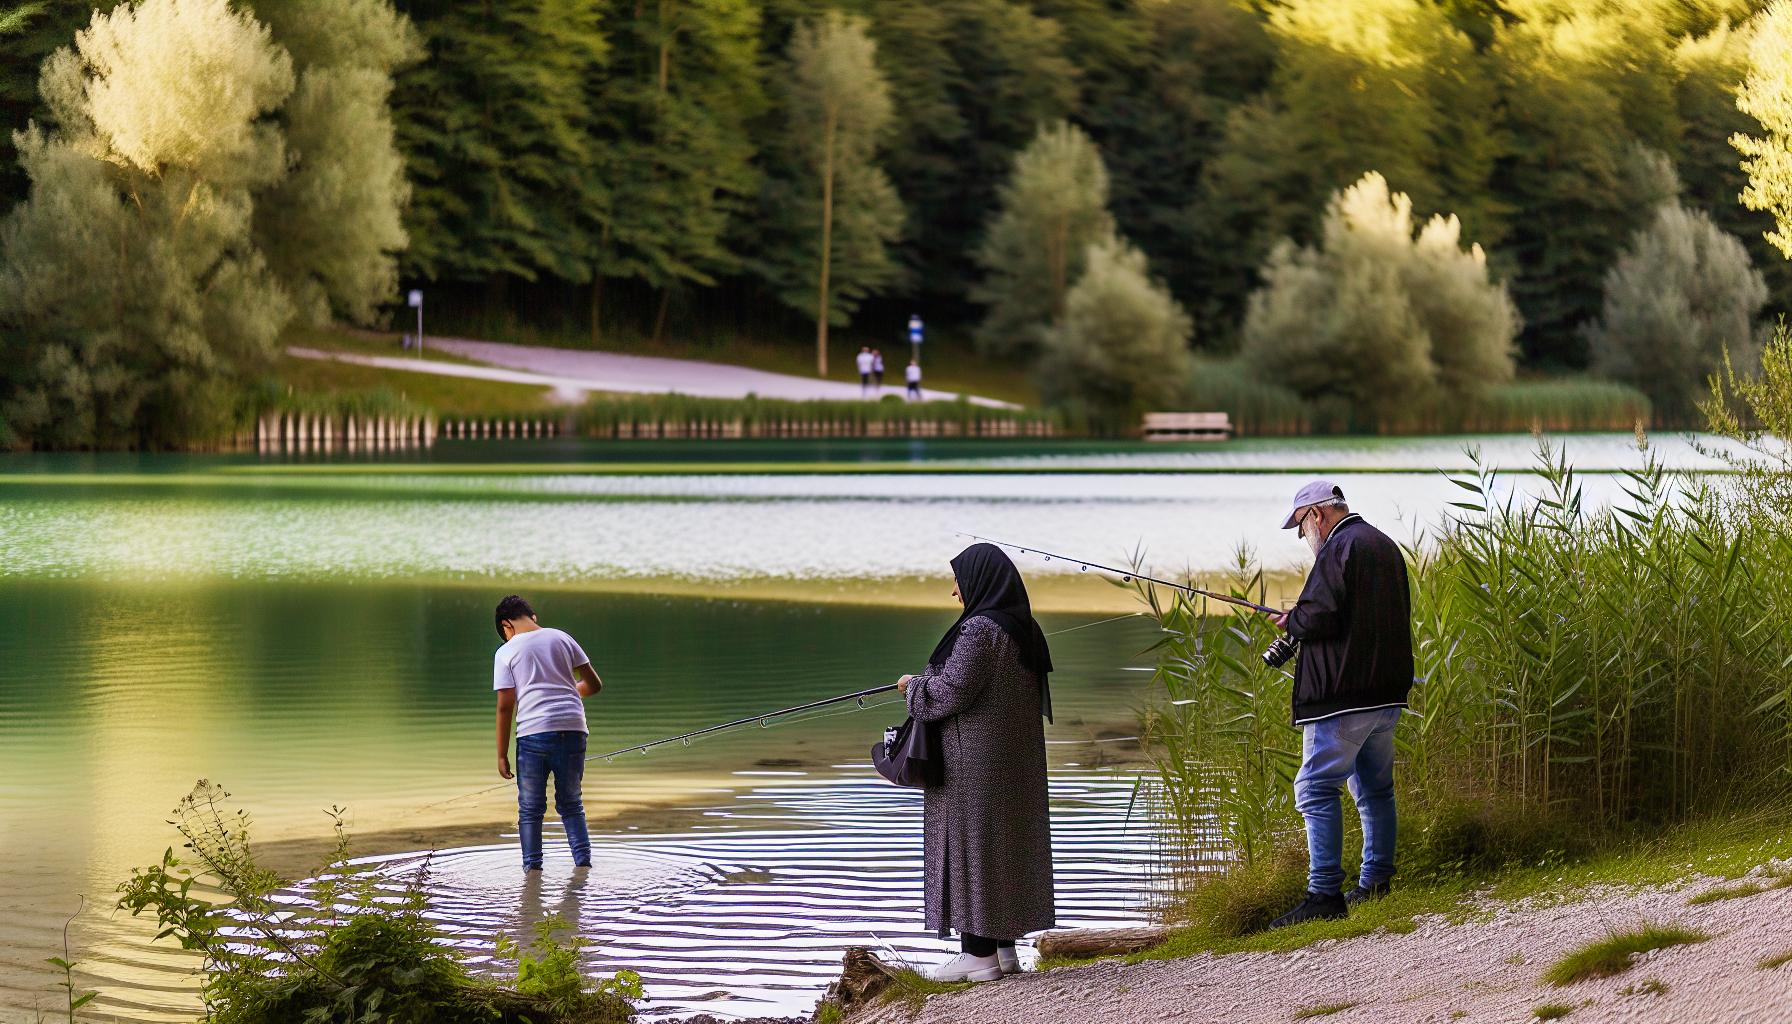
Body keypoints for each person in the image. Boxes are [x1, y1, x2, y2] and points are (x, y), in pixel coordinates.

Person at [896, 543, 1056, 982]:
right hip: (1014, 762)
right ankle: (1004, 952)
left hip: (975, 762)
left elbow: (950, 692)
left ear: (980, 580)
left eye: (958, 580)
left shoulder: (979, 631)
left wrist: (912, 687)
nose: (954, 592)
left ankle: (978, 956)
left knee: (973, 845)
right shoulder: (1025, 628)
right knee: (1001, 845)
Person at [1265, 481, 1414, 929]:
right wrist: (1303, 617)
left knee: (1314, 788)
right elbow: (1350, 612)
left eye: (1301, 526)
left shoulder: (1338, 547)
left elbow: (1323, 614)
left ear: (1317, 515)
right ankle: (1375, 882)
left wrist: (1297, 619)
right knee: (1374, 789)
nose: (1304, 537)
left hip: (1342, 696)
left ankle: (1324, 892)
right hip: (1385, 692)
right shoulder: (1382, 544)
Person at [493, 595, 604, 872]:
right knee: (571, 803)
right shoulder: (563, 638)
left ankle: (532, 872)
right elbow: (594, 685)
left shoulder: (506, 652)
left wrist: (501, 755)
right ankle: (584, 867)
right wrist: (566, 692)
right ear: (533, 616)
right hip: (574, 728)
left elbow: (506, 707)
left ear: (507, 626)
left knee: (531, 809)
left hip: (533, 733)